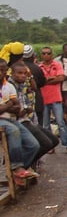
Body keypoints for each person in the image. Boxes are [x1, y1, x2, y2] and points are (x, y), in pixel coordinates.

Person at [0, 59, 42, 187]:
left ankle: (17, 170)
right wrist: (9, 104)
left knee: (34, 145)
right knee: (13, 131)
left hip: (10, 119)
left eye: (4, 70)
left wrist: (6, 106)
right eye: (0, 70)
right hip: (4, 121)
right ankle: (17, 167)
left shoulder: (8, 86)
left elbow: (17, 108)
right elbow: (11, 106)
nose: (2, 73)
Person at [10, 61, 57, 166]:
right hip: (19, 121)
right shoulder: (10, 86)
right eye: (19, 73)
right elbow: (17, 110)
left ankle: (28, 165)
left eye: (24, 73)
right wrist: (25, 109)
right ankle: (21, 167)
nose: (23, 76)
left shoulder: (22, 85)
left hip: (28, 119)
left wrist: (30, 75)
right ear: (12, 74)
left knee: (54, 141)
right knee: (45, 144)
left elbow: (34, 88)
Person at [38, 46, 67, 152]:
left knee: (60, 122)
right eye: (44, 53)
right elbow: (40, 82)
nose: (46, 55)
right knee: (46, 125)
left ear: (51, 54)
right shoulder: (39, 67)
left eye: (48, 53)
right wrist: (52, 78)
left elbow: (61, 78)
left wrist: (46, 81)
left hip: (56, 98)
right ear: (41, 55)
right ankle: (50, 146)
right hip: (44, 99)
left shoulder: (57, 65)